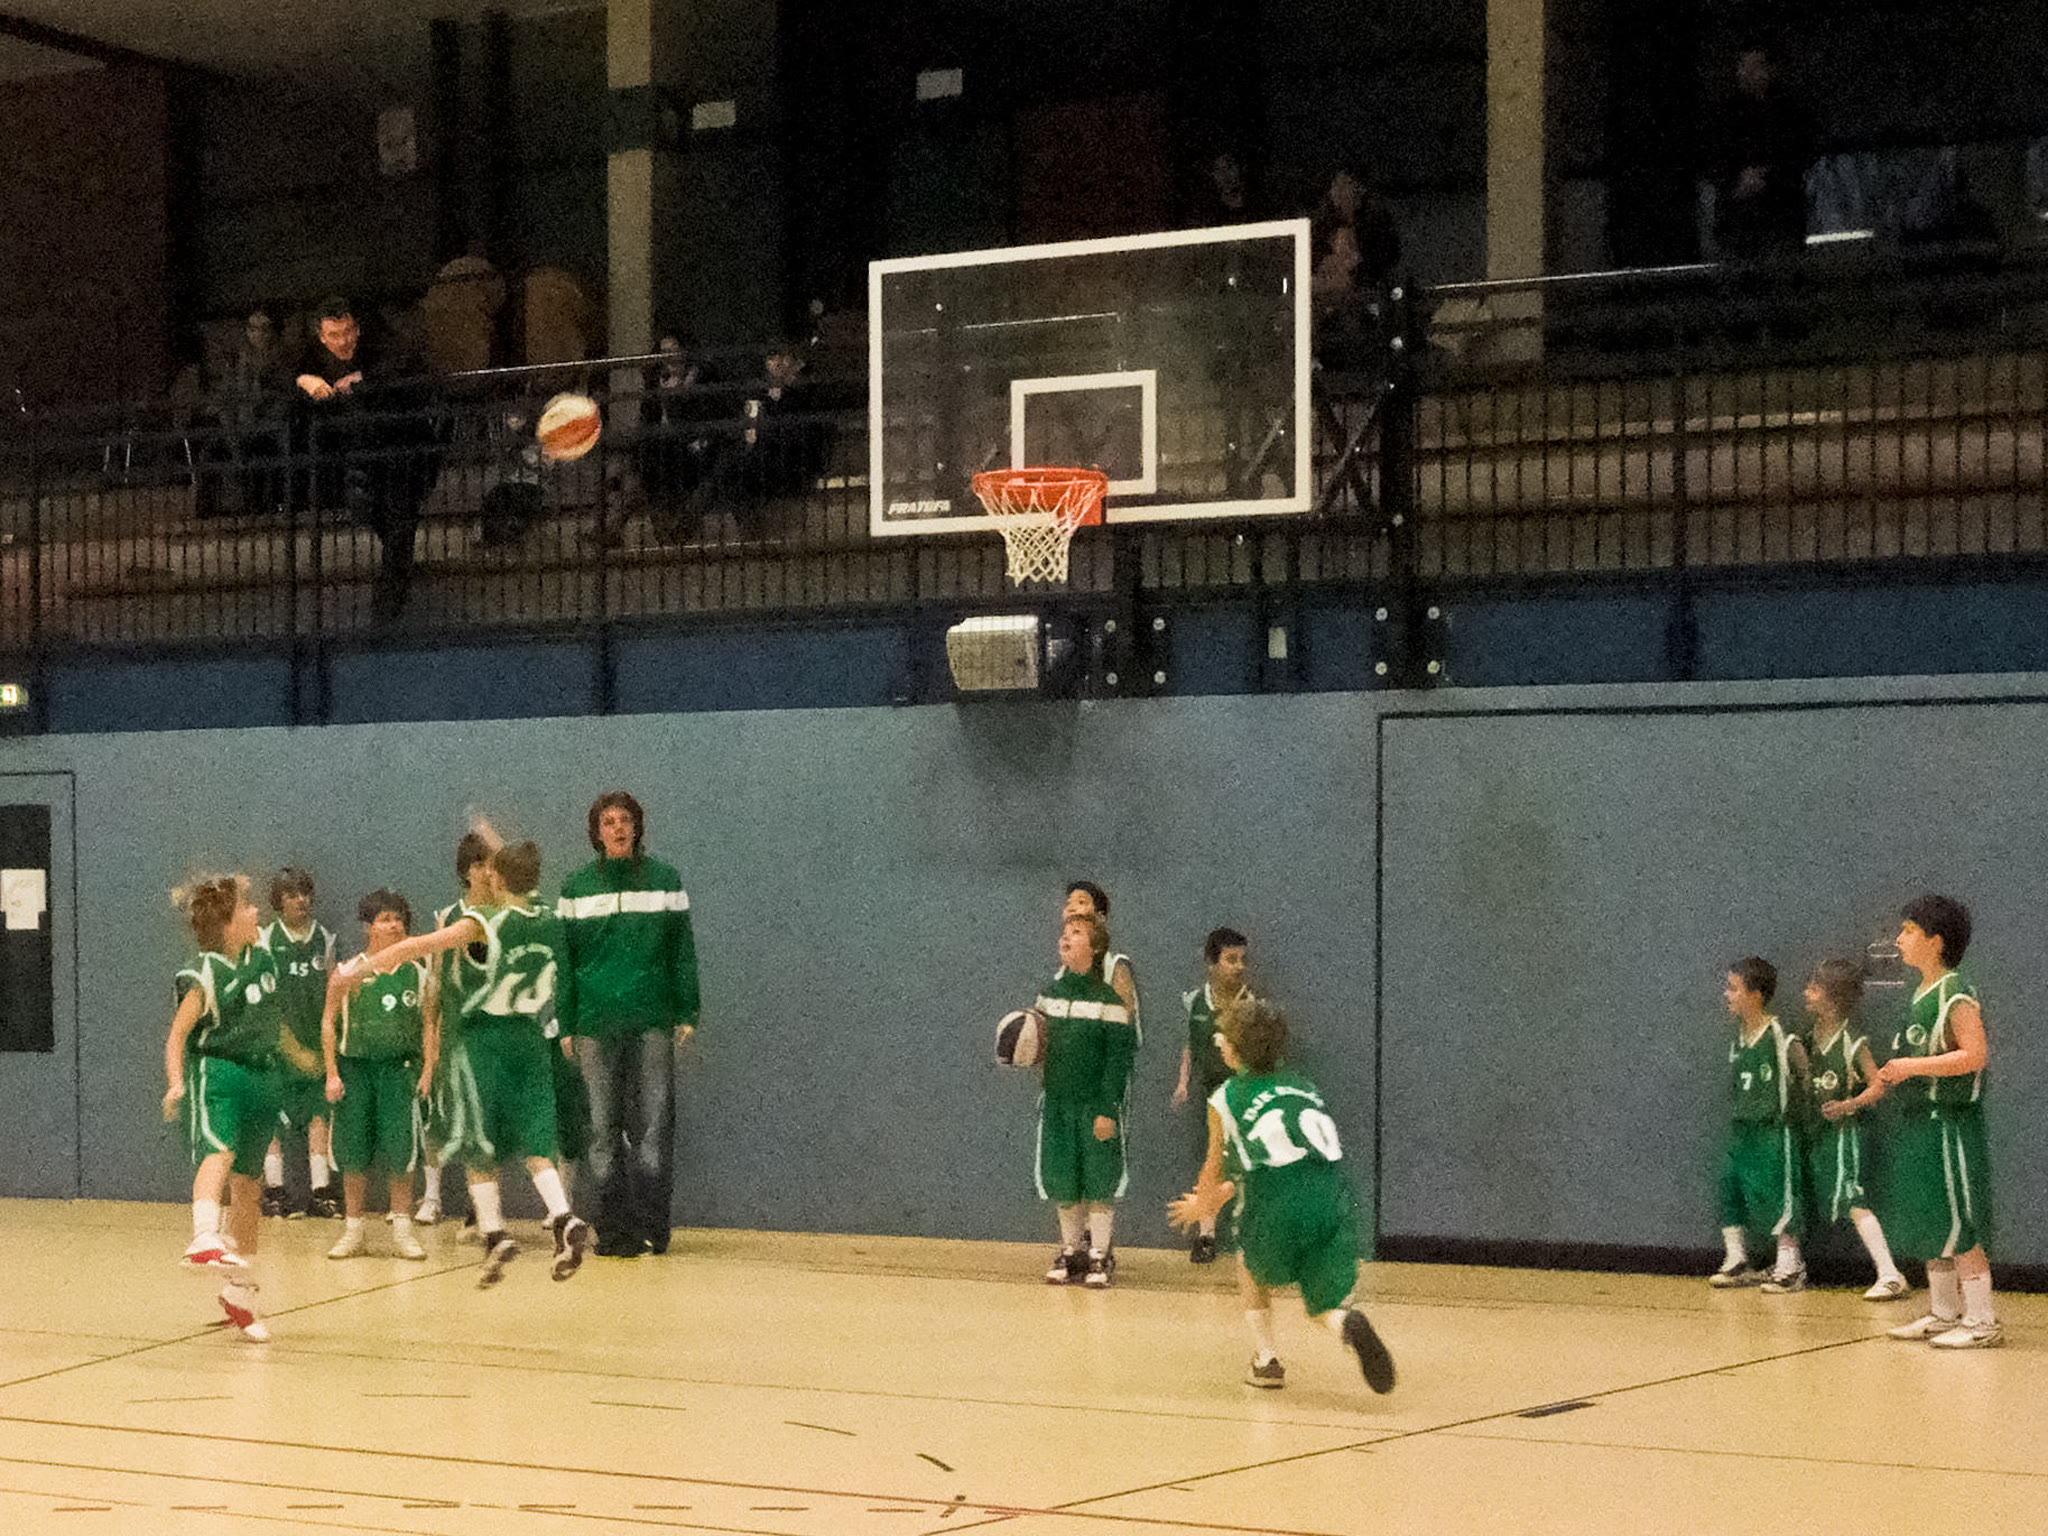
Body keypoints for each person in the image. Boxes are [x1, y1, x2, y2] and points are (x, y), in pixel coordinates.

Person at [347, 840, 593, 1287]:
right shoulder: (549, 917)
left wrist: (364, 967)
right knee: (538, 1146)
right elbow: (521, 871)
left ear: (496, 878)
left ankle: (494, 1234)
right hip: (531, 1039)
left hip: (485, 1041)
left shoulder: (485, 923)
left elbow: (421, 944)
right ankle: (563, 1217)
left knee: (477, 1145)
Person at [1169, 998, 1394, 1393]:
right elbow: (1281, 1159)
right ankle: (1347, 1324)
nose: (1219, 1042)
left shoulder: (1225, 1098)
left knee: (1249, 1263)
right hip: (1330, 1201)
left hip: (1275, 1205)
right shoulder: (1304, 1087)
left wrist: (1203, 1204)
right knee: (1323, 1303)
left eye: (1224, 1037)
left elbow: (1214, 1168)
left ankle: (1266, 1359)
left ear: (1236, 1050)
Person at [556, 791, 700, 1257]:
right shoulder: (574, 888)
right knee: (601, 1129)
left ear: (637, 827)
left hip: (651, 1019)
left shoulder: (666, 880)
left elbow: (681, 951)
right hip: (594, 1024)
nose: (617, 828)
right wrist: (566, 1022)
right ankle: (613, 1231)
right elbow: (565, 961)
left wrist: (687, 1011)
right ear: (596, 832)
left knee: (653, 1127)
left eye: (625, 820)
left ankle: (652, 1227)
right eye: (608, 822)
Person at [1876, 895, 2001, 1348]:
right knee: (1932, 1220)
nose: (1899, 939)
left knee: (1959, 1222)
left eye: (1909, 930)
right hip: (1919, 1123)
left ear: (1936, 941)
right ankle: (1945, 1313)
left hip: (1949, 1122)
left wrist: (1912, 1067)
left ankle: (1982, 1321)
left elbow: (1975, 1054)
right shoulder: (1919, 993)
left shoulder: (1955, 991)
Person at [162, 876, 280, 1341]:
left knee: (249, 1188)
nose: (256, 912)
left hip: (262, 1076)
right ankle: (203, 1236)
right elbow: (177, 1036)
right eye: (247, 908)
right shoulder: (204, 974)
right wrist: (176, 1083)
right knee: (220, 1151)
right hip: (220, 1071)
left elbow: (221, 896)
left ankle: (238, 1291)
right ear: (228, 925)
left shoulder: (261, 955)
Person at [322, 890, 436, 1261]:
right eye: (386, 919)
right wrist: (332, 1073)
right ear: (368, 926)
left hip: (399, 1073)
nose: (394, 925)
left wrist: (428, 1069)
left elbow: (429, 1024)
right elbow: (328, 1023)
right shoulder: (348, 972)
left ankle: (402, 1231)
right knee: (353, 1153)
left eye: (399, 918)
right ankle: (353, 1231)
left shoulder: (418, 972)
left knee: (401, 1153)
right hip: (355, 1072)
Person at [1034, 912, 1136, 1288]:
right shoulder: (1048, 996)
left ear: (1095, 949)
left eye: (1076, 933)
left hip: (1095, 1105)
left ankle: (1099, 1254)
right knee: (1063, 1177)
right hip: (1058, 1105)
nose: (1066, 937)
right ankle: (1070, 1250)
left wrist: (1107, 1108)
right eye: (1065, 932)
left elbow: (1118, 1061)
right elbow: (1037, 1047)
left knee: (1098, 1179)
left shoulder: (1110, 1001)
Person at [1801, 958, 1910, 1299]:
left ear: (1833, 999)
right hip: (1819, 1133)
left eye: (1814, 988)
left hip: (1845, 1134)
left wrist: (1848, 1105)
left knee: (1852, 1198)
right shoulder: (1810, 1037)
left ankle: (1890, 1273)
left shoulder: (1851, 1041)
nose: (1806, 993)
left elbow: (1878, 1086)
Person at [1708, 956, 1810, 1291]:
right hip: (1743, 1129)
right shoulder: (1738, 1036)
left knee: (1782, 1196)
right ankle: (1737, 1259)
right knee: (1729, 1185)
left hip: (1774, 1129)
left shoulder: (1779, 1034)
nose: (1727, 994)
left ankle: (1791, 1266)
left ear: (1755, 995)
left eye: (1733, 988)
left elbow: (1805, 1073)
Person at [417, 831, 495, 1227]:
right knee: (440, 1117)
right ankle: (432, 1197)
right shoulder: (449, 918)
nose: (486, 872)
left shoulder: (504, 915)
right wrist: (430, 1046)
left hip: (491, 1033)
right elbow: (434, 982)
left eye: (491, 864)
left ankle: (481, 1206)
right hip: (454, 1033)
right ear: (466, 871)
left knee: (485, 1123)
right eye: (479, 864)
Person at [258, 867, 339, 1219]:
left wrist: (326, 1045)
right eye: (292, 895)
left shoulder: (324, 939)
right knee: (273, 1117)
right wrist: (290, 1048)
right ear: (279, 901)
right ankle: (275, 1190)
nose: (301, 900)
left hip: (316, 1042)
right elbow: (265, 1003)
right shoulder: (266, 941)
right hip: (278, 1047)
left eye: (305, 893)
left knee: (320, 1115)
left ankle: (320, 1191)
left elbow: (333, 992)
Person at [1172, 926, 1252, 1263]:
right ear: (1212, 962)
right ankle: (1206, 1235)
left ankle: (1253, 1235)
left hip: (1244, 1093)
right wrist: (1183, 1082)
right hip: (1212, 1094)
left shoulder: (1249, 1003)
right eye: (1231, 959)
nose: (1239, 966)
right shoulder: (1197, 1001)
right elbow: (1190, 1046)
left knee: (1248, 1163)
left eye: (1242, 959)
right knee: (1213, 1161)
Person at [1709, 44, 1815, 261]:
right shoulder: (1723, 114)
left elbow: (1800, 151)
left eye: (1756, 66)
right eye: (1743, 66)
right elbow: (1712, 157)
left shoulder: (1789, 111)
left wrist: (1767, 175)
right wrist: (1736, 181)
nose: (1748, 73)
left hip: (1781, 212)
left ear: (1771, 69)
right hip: (1737, 216)